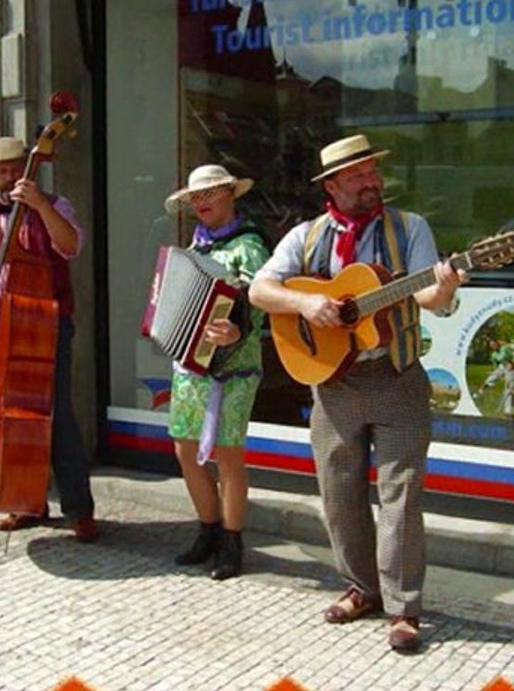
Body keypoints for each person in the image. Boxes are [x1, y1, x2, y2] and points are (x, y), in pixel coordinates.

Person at [248, 134, 466, 652]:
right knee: (339, 492)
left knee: (400, 496)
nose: (371, 182)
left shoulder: (410, 228)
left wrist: (445, 287)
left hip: (396, 377)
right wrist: (306, 306)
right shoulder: (305, 237)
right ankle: (361, 588)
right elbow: (259, 289)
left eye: (372, 172)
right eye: (357, 176)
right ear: (332, 186)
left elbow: (428, 295)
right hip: (333, 382)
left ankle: (404, 607)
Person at [0, 136, 97, 541]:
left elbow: (71, 246)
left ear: (29, 169)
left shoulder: (56, 204)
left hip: (47, 324)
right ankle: (23, 501)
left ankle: (79, 509)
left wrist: (39, 207)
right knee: (10, 414)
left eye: (15, 169)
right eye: (1, 171)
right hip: (1, 324)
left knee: (58, 415)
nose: (9, 177)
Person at [164, 164, 270, 580]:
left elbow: (261, 300)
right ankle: (207, 530)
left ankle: (231, 541)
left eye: (209, 193)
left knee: (227, 453)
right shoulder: (196, 244)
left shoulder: (250, 246)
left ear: (230, 194)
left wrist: (238, 329)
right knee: (184, 448)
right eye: (195, 197)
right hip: (192, 365)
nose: (201, 202)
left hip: (235, 368)